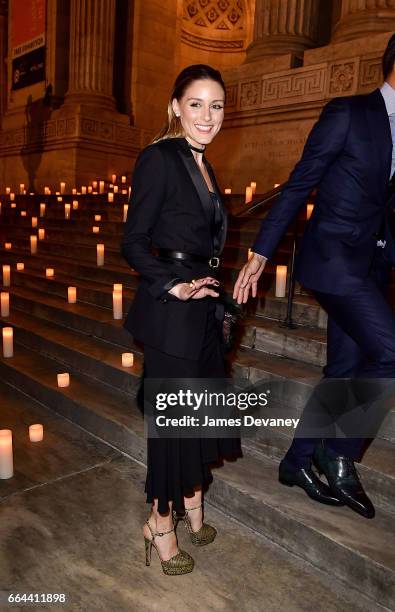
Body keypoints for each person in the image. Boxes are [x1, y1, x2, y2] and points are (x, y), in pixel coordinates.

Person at [233, 34, 395, 520]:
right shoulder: (349, 113)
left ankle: (298, 461)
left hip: (370, 262)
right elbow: (300, 183)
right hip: (331, 259)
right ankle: (339, 453)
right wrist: (261, 252)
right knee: (391, 353)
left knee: (343, 369)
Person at [122, 64, 241, 575]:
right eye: (196, 104)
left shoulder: (206, 165)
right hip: (172, 309)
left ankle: (192, 505)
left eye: (216, 105)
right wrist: (172, 283)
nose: (207, 116)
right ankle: (159, 522)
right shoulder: (160, 157)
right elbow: (133, 240)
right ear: (175, 106)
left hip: (205, 309)